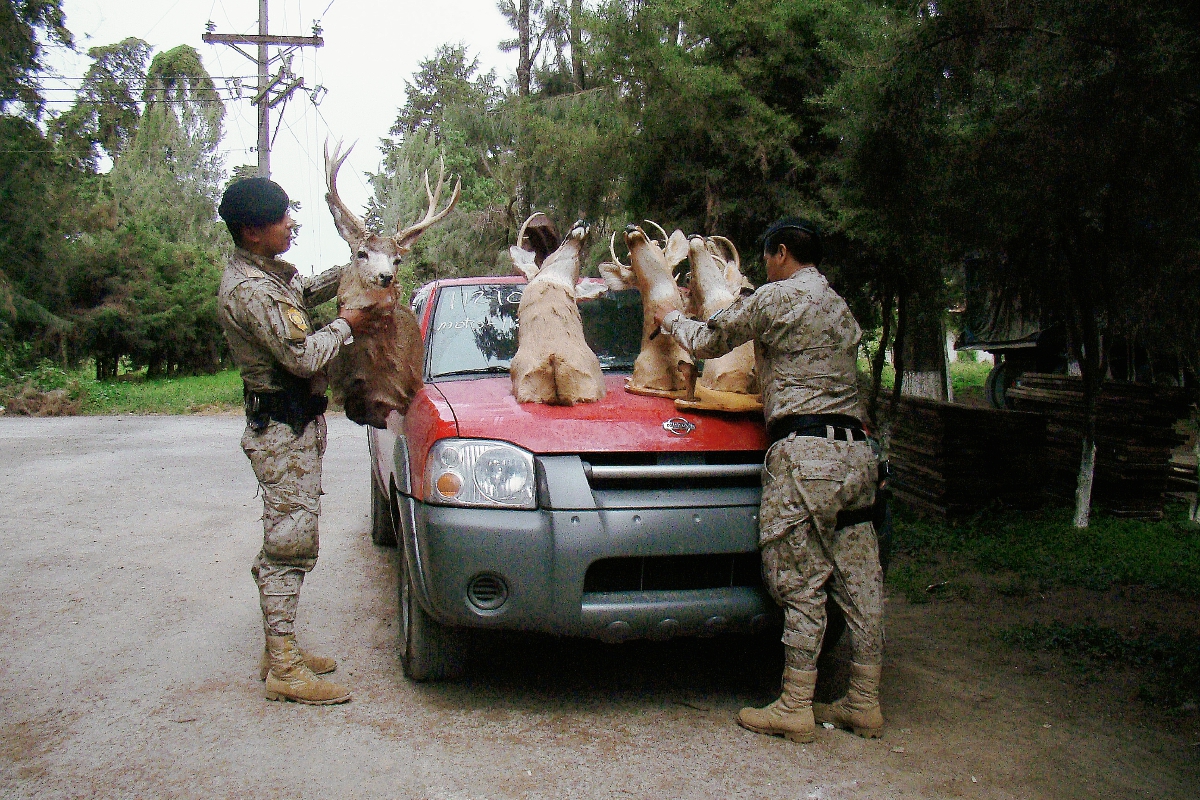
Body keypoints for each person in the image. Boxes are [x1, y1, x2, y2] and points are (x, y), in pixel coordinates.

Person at [654, 219, 885, 742]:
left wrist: (671, 320)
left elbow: (710, 339)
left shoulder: (777, 298)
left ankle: (796, 705)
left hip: (804, 455)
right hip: (856, 456)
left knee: (799, 575)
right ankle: (864, 701)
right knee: (858, 578)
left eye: (767, 257)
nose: (765, 267)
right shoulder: (841, 309)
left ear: (781, 253)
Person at [216, 177, 367, 705]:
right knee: (291, 543)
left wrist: (358, 265)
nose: (290, 225)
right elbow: (302, 356)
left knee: (286, 536)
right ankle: (284, 666)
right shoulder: (250, 291)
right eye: (282, 219)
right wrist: (346, 325)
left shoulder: (269, 279)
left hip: (293, 426)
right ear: (254, 232)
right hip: (281, 433)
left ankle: (276, 649)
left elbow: (300, 295)